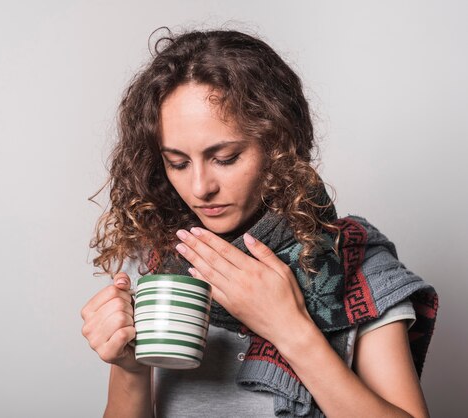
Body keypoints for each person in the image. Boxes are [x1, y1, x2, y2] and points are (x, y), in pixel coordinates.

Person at [80, 28, 437, 418]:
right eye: (178, 163)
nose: (200, 188)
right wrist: (129, 369)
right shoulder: (157, 261)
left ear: (277, 143)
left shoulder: (356, 265)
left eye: (226, 157)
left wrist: (289, 328)